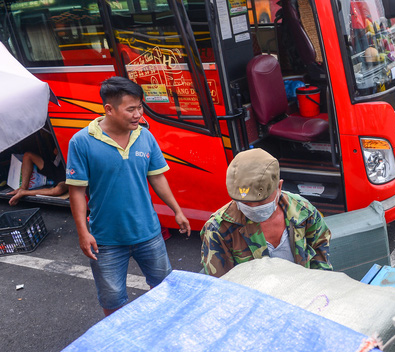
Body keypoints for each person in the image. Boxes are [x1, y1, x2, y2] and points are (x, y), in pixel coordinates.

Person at [66, 76, 190, 316]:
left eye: (140, 107)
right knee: (113, 301)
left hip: (149, 233)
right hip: (106, 240)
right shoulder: (81, 142)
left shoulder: (144, 136)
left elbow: (157, 177)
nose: (138, 114)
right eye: (131, 109)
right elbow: (77, 191)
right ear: (109, 109)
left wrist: (177, 210)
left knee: (165, 288)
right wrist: (83, 232)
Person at [200, 148, 332, 277]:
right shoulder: (219, 229)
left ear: (279, 187)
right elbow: (221, 286)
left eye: (261, 201)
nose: (253, 207)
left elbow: (320, 256)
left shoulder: (303, 211)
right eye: (246, 203)